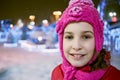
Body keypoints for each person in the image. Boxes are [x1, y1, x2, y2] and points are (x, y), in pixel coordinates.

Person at [51, 0, 120, 80]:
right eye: (69, 37)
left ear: (98, 41)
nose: (76, 46)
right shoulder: (57, 73)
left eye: (86, 37)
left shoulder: (114, 76)